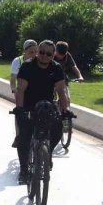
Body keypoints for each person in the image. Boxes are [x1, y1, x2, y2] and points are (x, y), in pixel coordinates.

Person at [13, 40, 69, 184]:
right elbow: (20, 90)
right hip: (29, 106)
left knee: (58, 128)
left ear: (53, 55)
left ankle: (47, 151)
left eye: (48, 54)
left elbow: (61, 92)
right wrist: (19, 110)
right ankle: (24, 169)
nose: (44, 56)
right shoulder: (27, 66)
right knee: (24, 137)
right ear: (38, 52)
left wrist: (65, 110)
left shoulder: (56, 68)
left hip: (47, 106)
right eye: (42, 52)